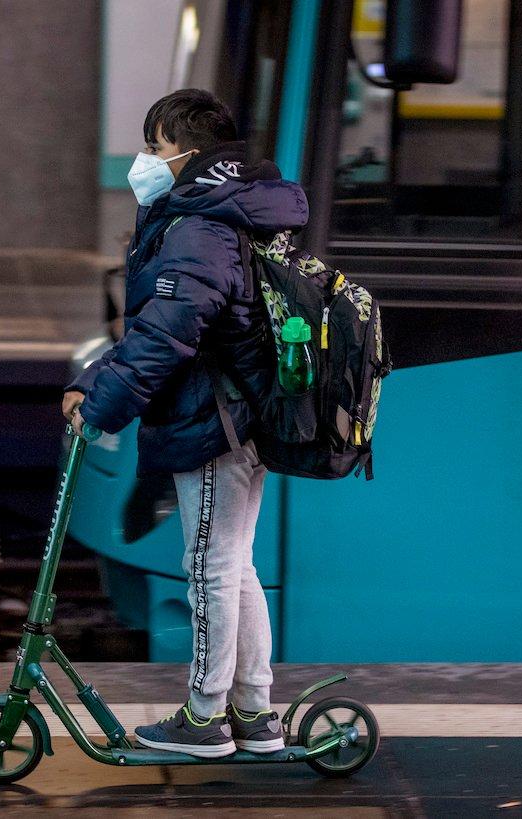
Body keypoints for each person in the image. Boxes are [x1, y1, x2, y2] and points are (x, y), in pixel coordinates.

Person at [61, 89, 308, 758]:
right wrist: (94, 379)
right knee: (235, 562)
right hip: (241, 413)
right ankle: (254, 714)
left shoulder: (200, 228)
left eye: (156, 146)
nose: (145, 160)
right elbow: (154, 326)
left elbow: (168, 336)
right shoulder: (227, 214)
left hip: (214, 419)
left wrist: (102, 404)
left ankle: (205, 719)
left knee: (209, 562)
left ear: (191, 155)